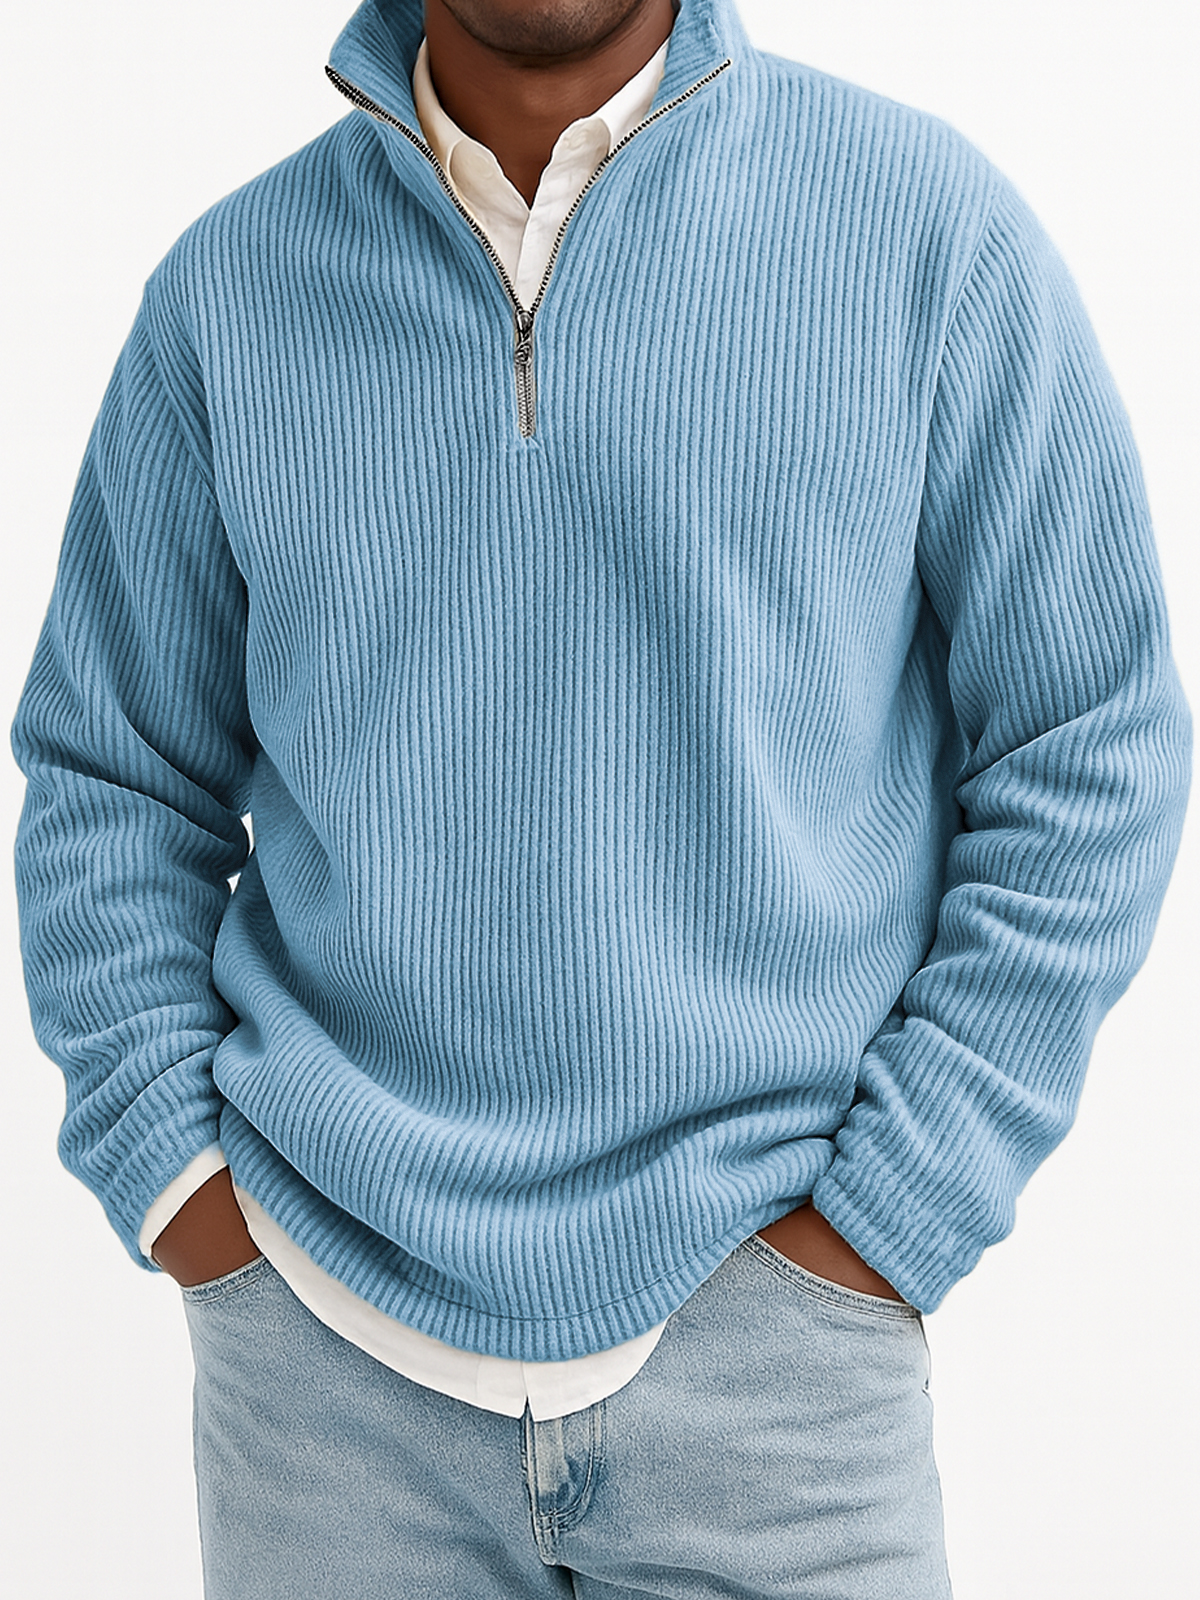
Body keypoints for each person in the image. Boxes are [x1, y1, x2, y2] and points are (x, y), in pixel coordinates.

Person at [10, 0, 1191, 1595]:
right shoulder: (227, 294)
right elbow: (110, 777)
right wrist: (179, 1187)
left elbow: (1090, 740)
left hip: (780, 1368)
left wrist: (893, 1217)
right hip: (325, 1382)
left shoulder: (929, 235)